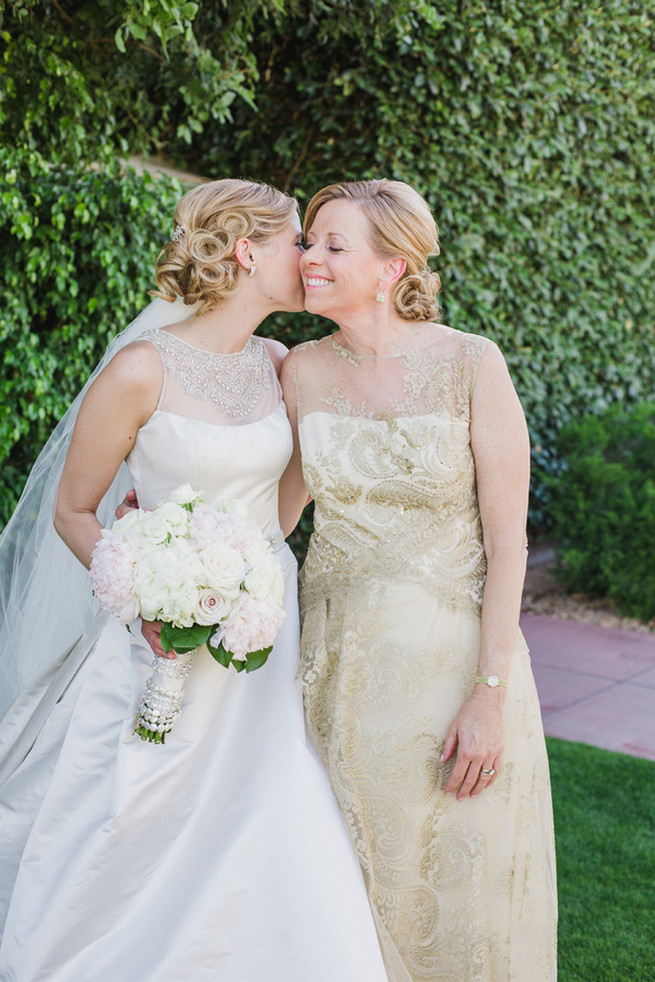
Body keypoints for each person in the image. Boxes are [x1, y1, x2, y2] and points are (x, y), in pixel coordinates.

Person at [0, 179, 388, 980]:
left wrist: (318, 458)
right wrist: (146, 592)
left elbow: (276, 519)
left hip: (262, 630)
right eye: (297, 243)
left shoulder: (280, 363)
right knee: (133, 811)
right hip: (158, 642)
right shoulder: (142, 371)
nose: (310, 259)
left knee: (267, 808)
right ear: (247, 251)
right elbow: (76, 511)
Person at [279, 179, 558, 982]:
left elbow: (509, 545)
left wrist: (488, 695)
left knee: (456, 896)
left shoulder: (472, 362)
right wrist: (182, 515)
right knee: (349, 890)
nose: (310, 259)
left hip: (454, 678)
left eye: (334, 245)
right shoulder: (297, 370)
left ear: (393, 265)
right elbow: (277, 511)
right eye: (309, 241)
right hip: (334, 675)